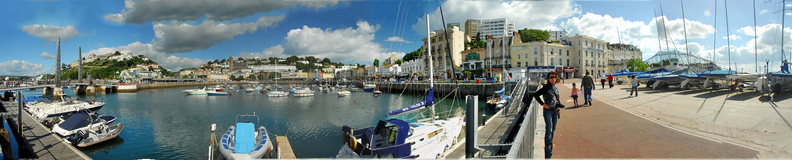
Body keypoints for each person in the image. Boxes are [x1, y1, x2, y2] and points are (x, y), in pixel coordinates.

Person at [533, 72, 563, 158]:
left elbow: (557, 99)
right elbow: (536, 95)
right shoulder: (546, 87)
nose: (553, 79)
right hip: (548, 111)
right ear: (548, 79)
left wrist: (559, 107)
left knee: (553, 128)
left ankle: (550, 142)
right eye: (551, 77)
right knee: (549, 129)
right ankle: (548, 150)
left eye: (555, 77)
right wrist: (543, 104)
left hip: (555, 110)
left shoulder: (555, 87)